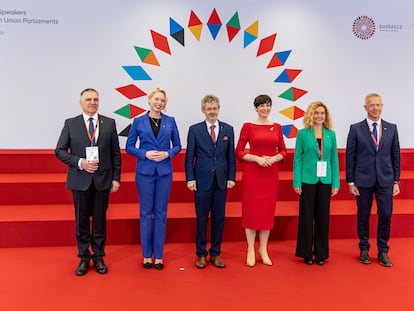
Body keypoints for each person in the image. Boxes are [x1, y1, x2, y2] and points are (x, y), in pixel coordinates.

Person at [55, 88, 121, 276]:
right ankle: (84, 257)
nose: (92, 102)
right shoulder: (71, 124)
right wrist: (80, 162)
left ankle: (99, 255)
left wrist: (116, 178)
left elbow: (115, 153)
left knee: (100, 220)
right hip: (80, 180)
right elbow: (59, 150)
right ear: (81, 102)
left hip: (103, 180)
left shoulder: (109, 123)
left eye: (95, 99)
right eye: (88, 99)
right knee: (81, 221)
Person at [126, 87, 181, 270]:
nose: (159, 103)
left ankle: (158, 256)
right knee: (145, 213)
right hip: (145, 173)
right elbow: (129, 146)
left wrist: (167, 154)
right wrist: (145, 154)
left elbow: (178, 146)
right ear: (149, 100)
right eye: (156, 99)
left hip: (165, 172)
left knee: (161, 214)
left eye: (162, 100)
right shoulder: (138, 121)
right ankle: (146, 255)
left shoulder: (171, 121)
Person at [346, 93, 400, 267]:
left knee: (385, 214)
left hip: (385, 180)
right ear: (365, 107)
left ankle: (383, 250)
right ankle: (364, 248)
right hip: (363, 180)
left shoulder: (391, 128)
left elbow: (395, 155)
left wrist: (396, 181)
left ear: (382, 106)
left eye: (378, 105)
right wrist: (351, 182)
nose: (375, 108)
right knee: (363, 215)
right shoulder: (356, 128)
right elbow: (350, 156)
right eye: (372, 105)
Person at [185, 94, 236, 269]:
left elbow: (231, 157)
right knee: (201, 219)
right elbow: (189, 156)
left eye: (214, 108)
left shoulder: (228, 130)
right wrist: (190, 178)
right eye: (209, 109)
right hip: (201, 181)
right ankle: (200, 254)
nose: (212, 112)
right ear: (203, 110)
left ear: (218, 109)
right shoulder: (194, 130)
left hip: (221, 182)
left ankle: (215, 253)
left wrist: (231, 177)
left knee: (219, 219)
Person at [236, 94, 287, 267]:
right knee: (251, 210)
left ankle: (263, 248)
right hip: (253, 173)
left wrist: (273, 159)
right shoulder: (248, 127)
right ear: (256, 108)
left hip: (270, 174)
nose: (265, 108)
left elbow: (284, 151)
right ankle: (250, 248)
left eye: (268, 105)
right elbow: (239, 151)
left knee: (266, 211)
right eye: (262, 106)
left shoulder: (277, 127)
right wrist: (256, 158)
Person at [293, 101, 340, 265]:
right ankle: (306, 252)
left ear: (325, 116)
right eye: (316, 113)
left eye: (322, 113)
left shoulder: (331, 134)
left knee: (323, 217)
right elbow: (297, 159)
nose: (319, 116)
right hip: (307, 180)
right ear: (310, 115)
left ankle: (321, 254)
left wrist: (336, 183)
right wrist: (296, 181)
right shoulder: (302, 134)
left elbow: (334, 159)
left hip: (325, 180)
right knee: (306, 217)